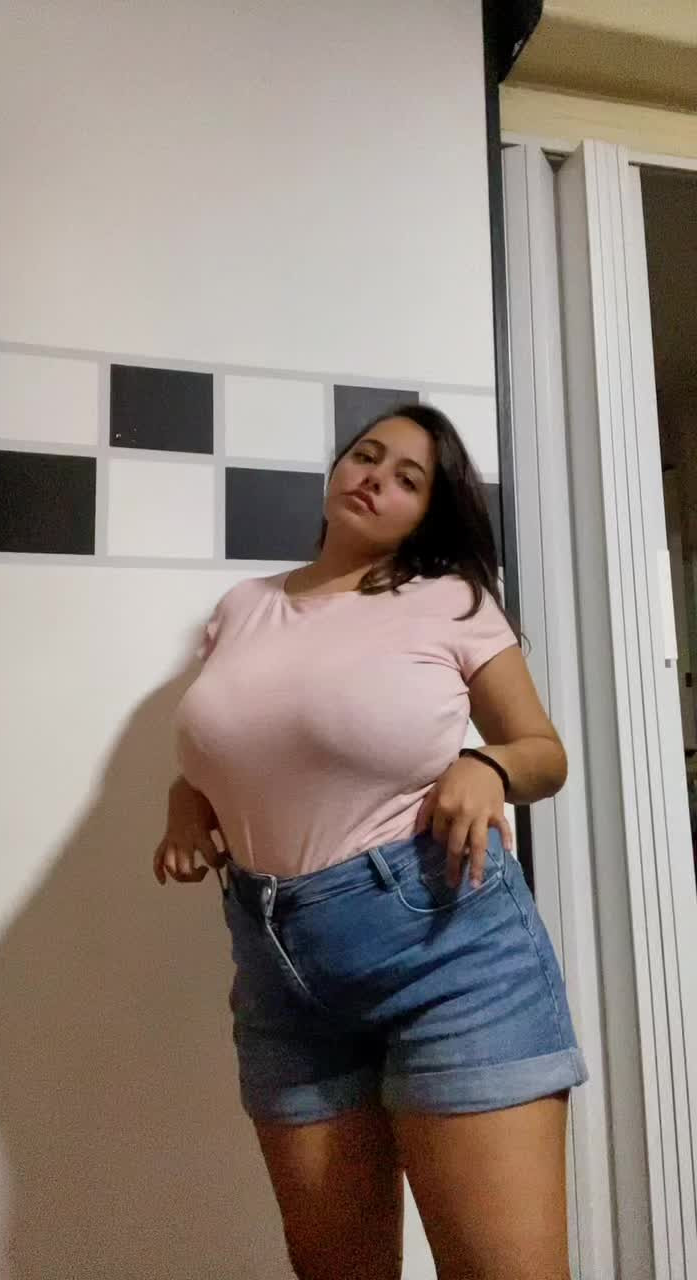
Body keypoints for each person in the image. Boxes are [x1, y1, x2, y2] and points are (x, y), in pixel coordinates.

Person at [154, 404, 588, 1280]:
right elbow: (241, 744)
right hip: (279, 977)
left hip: (447, 953)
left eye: (407, 478)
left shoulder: (452, 602)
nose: (375, 478)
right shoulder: (242, 607)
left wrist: (486, 766)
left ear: (428, 512)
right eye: (366, 456)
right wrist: (184, 802)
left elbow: (543, 754)